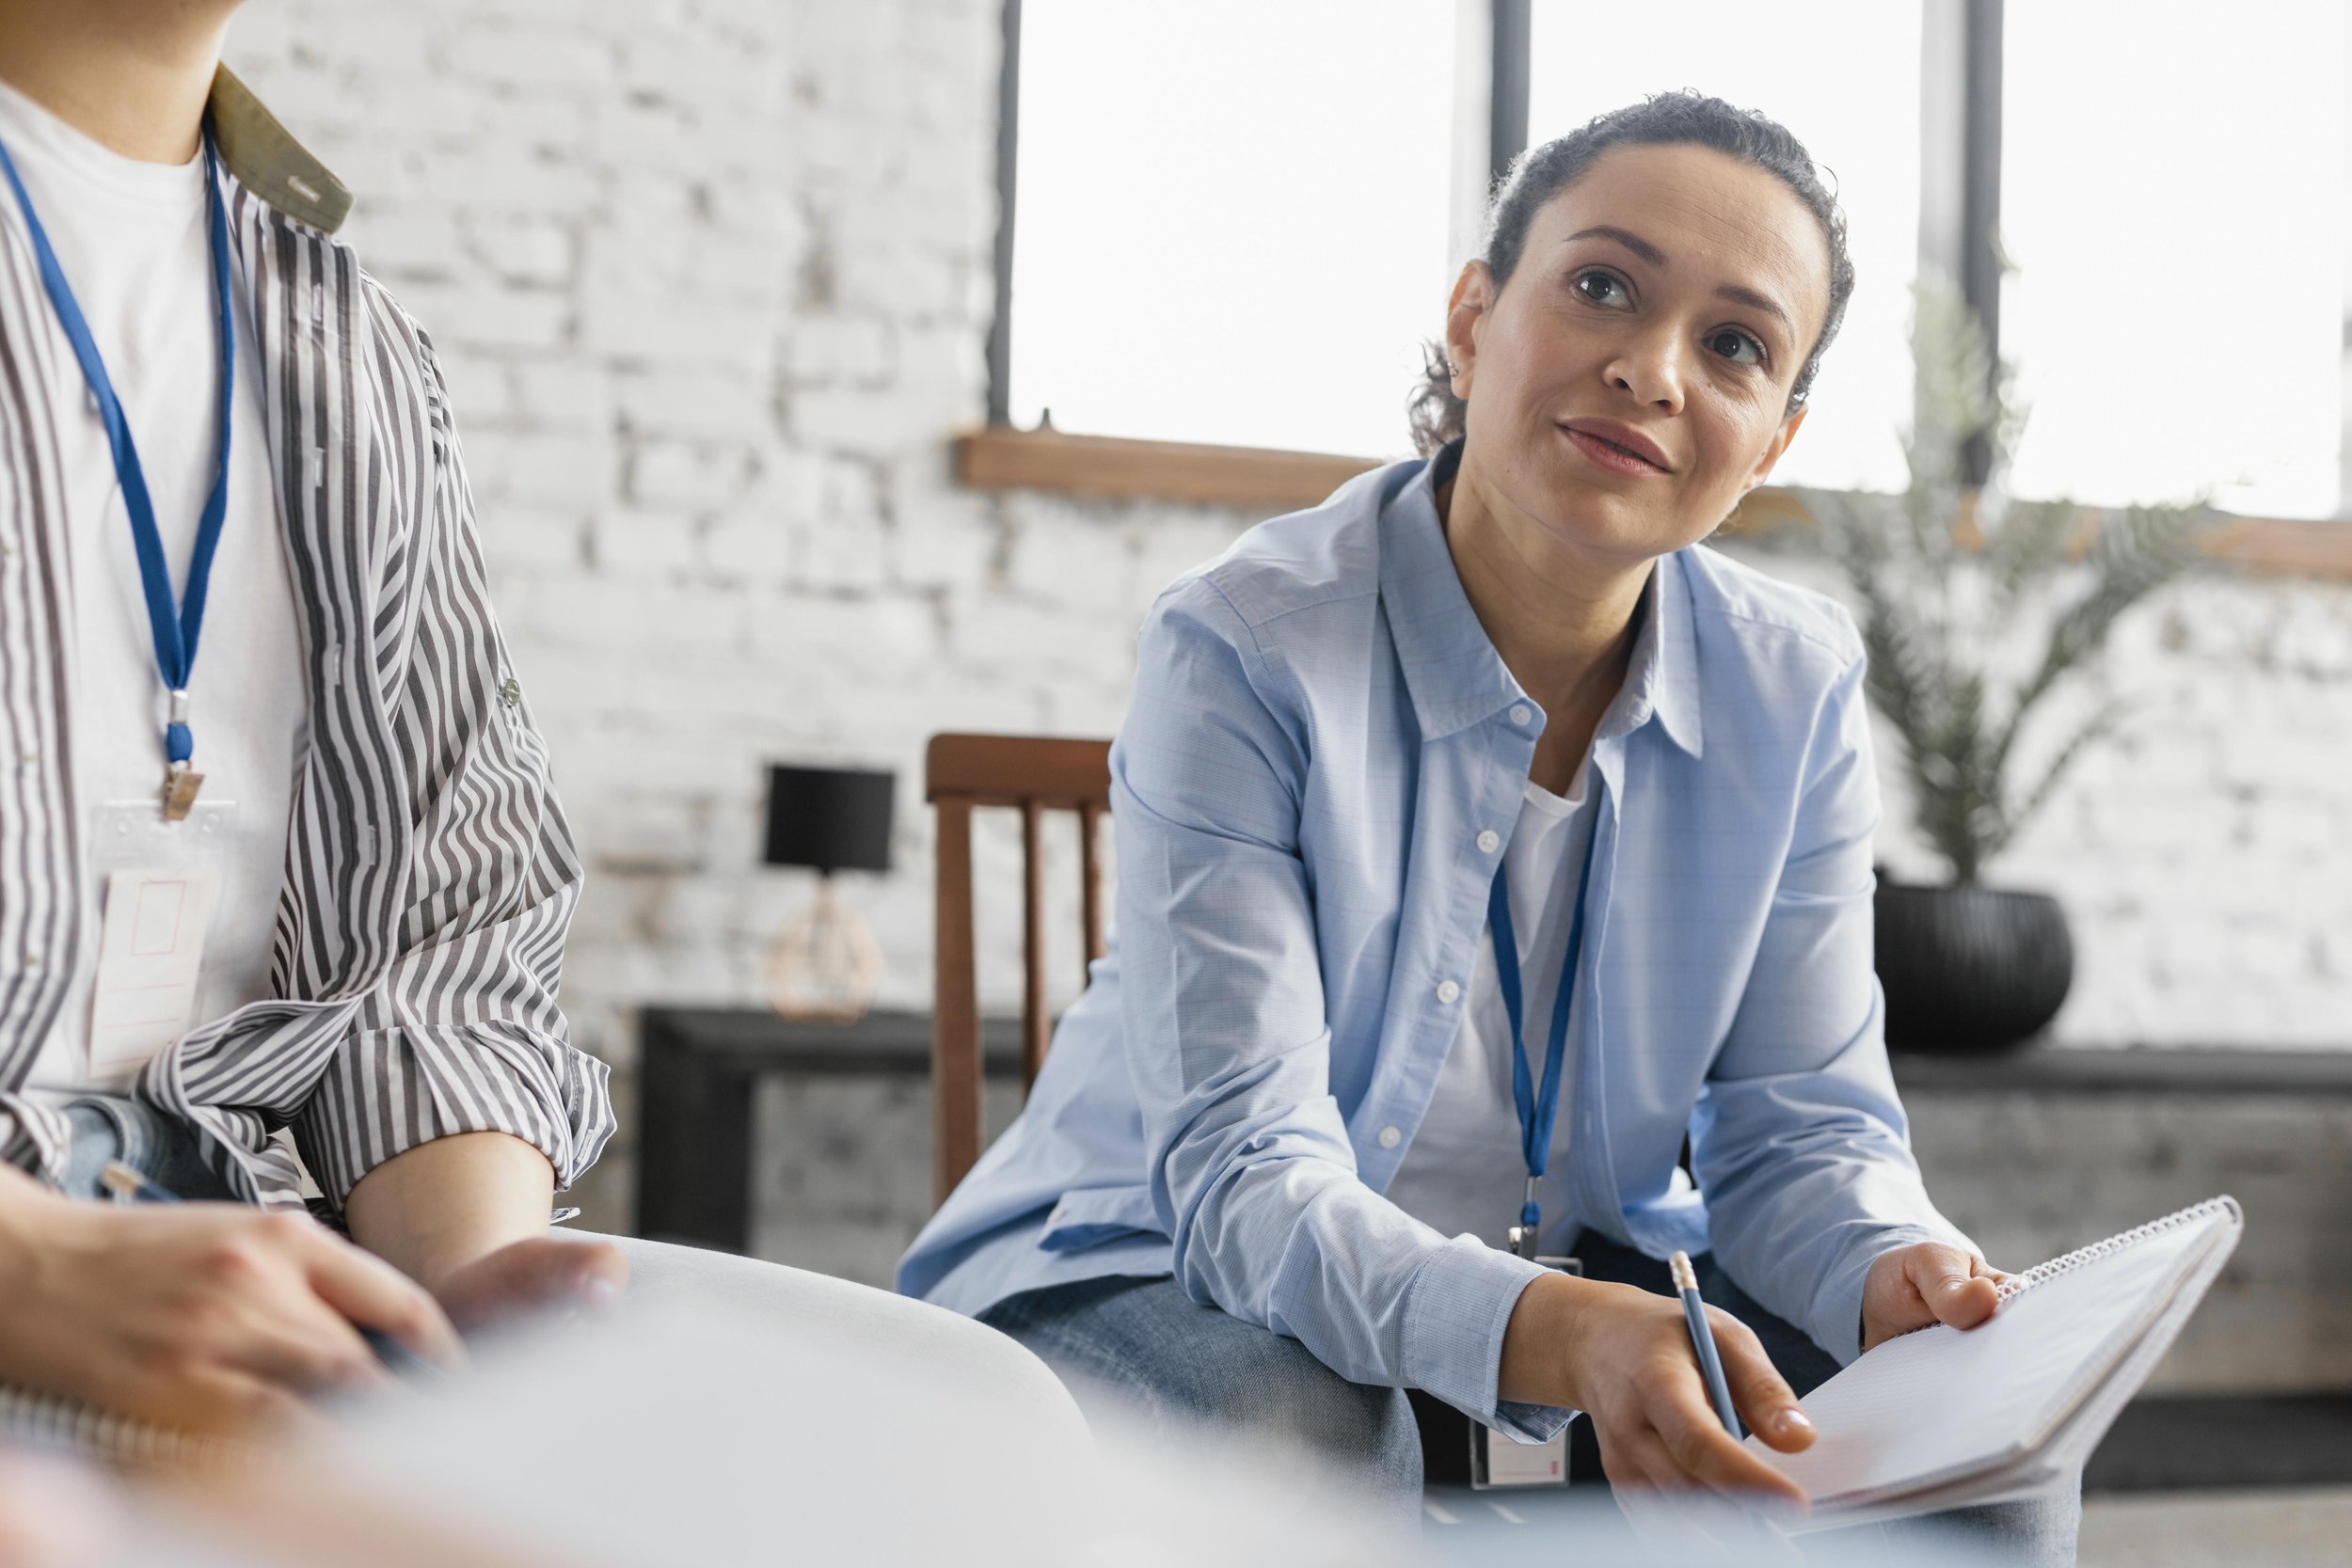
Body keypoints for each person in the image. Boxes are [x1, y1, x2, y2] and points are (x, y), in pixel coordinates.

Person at [901, 93, 2078, 1560]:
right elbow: (1245, 1180)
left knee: (1986, 1446)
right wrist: (1548, 1324)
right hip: (1153, 1261)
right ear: (1473, 321)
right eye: (1602, 287)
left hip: (1589, 1273)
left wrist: (1890, 1262)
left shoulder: (1796, 687)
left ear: (1773, 436)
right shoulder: (1247, 646)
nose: (1650, 370)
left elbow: (1797, 1126)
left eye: (1733, 345)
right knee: (1308, 1430)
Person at [0, 0, 1077, 1456]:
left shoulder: (344, 346)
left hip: (263, 1260)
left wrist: (479, 1277)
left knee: (988, 1429)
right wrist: (45, 1275)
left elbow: (440, 936)